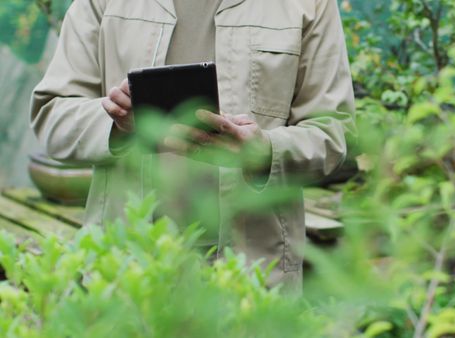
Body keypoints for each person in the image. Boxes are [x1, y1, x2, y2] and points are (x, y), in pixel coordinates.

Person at [30, 0, 355, 292]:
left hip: (252, 273)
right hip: (127, 273)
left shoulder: (309, 5)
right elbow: (54, 114)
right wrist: (117, 125)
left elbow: (333, 130)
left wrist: (265, 150)